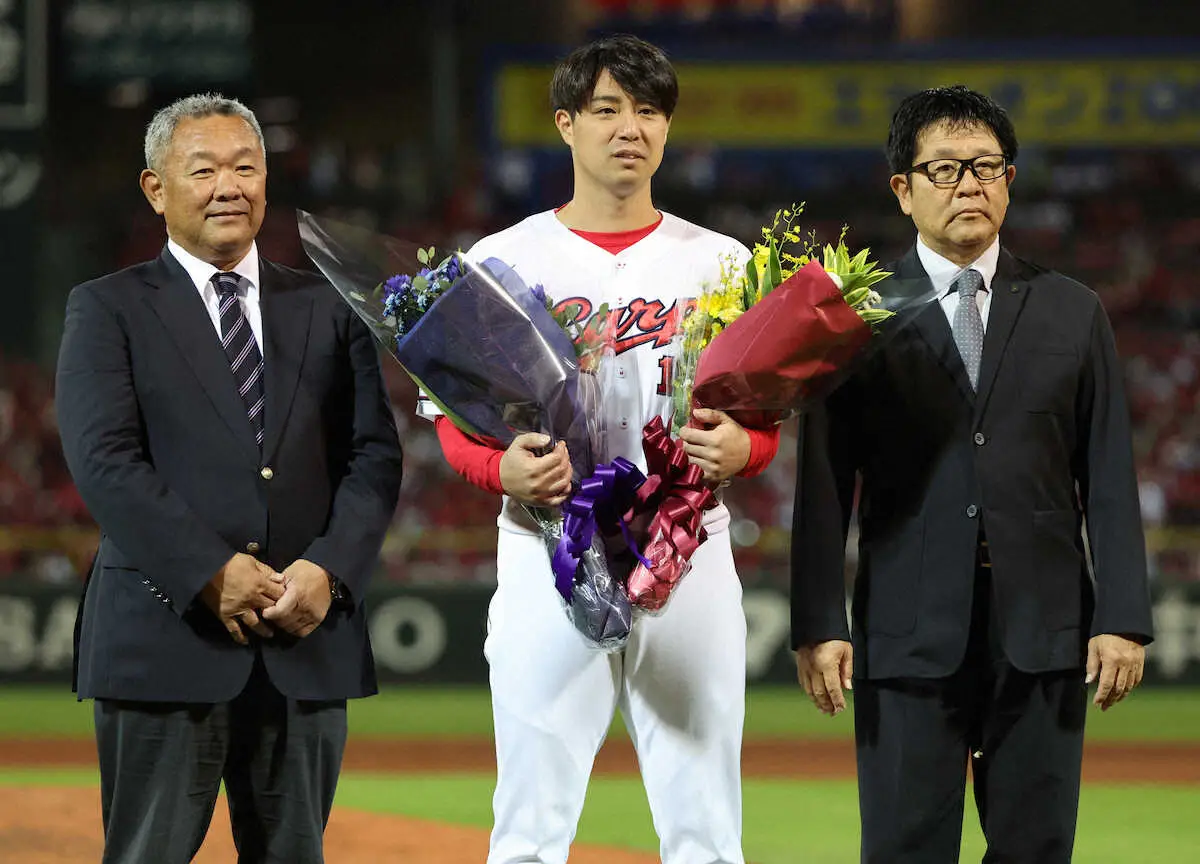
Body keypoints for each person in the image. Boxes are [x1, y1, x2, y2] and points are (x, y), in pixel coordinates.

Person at [421, 35, 780, 864]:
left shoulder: (723, 264)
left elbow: (763, 419)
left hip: (687, 546)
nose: (631, 128)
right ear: (566, 124)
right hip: (547, 544)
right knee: (530, 823)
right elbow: (450, 416)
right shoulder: (501, 259)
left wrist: (747, 449)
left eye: (649, 111)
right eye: (608, 109)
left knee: (704, 822)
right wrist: (497, 467)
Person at [790, 84, 1154, 862]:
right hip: (904, 625)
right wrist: (818, 622)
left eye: (987, 167)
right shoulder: (856, 315)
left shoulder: (1073, 311)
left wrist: (1122, 615)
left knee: (1036, 847)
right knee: (903, 847)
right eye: (946, 168)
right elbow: (822, 481)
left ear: (1010, 181)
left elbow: (1109, 473)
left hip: (1044, 628)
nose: (969, 185)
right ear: (904, 187)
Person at [55, 93, 403, 864]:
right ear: (156, 189)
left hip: (305, 639)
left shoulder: (330, 308)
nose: (228, 186)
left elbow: (374, 456)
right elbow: (105, 462)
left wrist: (331, 571)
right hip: (163, 640)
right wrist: (209, 571)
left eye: (246, 167)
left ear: (268, 182)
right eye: (203, 168)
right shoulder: (106, 309)